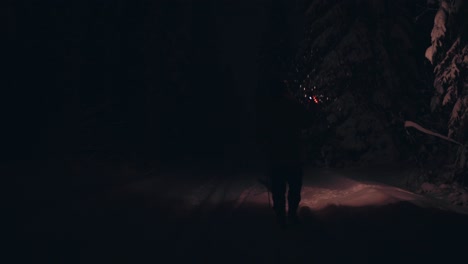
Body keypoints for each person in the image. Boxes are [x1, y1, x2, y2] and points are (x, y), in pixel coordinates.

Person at [259, 80, 315, 229]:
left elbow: (263, 131)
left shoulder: (269, 108)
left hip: (276, 156)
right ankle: (291, 214)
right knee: (294, 187)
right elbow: (308, 121)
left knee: (278, 189)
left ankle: (281, 217)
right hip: (293, 154)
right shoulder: (293, 105)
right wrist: (313, 107)